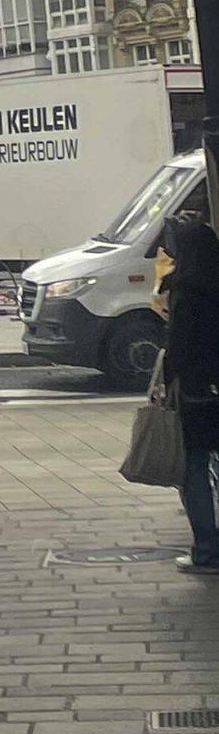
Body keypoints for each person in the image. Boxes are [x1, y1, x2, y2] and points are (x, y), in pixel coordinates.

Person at [160, 215, 219, 573]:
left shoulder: (186, 290)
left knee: (194, 469)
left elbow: (179, 349)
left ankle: (208, 551)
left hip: (197, 395)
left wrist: (169, 390)